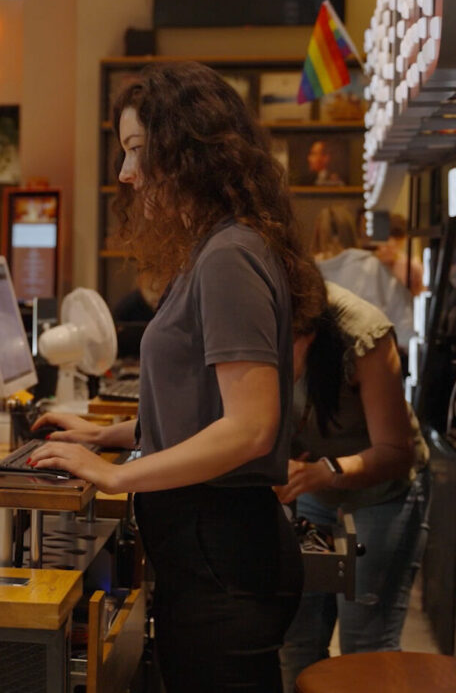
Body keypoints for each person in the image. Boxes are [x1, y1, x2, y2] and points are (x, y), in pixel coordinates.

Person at [28, 61, 320, 691]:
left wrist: (116, 474)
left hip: (223, 555)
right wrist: (108, 435)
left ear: (187, 152)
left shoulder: (228, 256)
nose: (126, 173)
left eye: (137, 151)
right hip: (214, 550)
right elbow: (212, 405)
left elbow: (249, 428)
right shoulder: (216, 249)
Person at [276, 281, 430, 690]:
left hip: (384, 492)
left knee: (366, 645)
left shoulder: (363, 335)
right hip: (317, 487)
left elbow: (398, 452)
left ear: (306, 332)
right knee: (297, 639)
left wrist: (328, 470)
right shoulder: (259, 321)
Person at [311, 205, 414, 353]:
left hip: (319, 365)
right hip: (371, 360)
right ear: (351, 231)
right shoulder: (372, 267)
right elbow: (404, 319)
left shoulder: (307, 274)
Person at [374, 212, 426, 296]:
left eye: (396, 240)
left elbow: (418, 295)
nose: (390, 244)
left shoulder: (412, 268)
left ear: (403, 240)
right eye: (385, 240)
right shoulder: (369, 265)